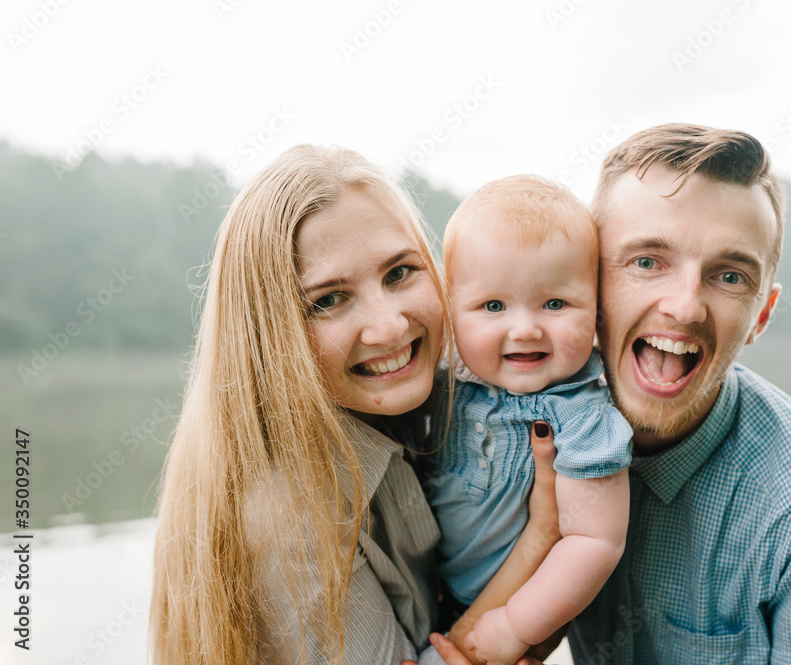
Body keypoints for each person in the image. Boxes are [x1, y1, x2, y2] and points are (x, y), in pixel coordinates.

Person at [149, 145, 559, 665]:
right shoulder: (288, 513)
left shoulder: (445, 406)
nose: (389, 325)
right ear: (269, 337)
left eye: (399, 273)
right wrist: (541, 541)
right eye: (328, 300)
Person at [566, 123, 791, 664]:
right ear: (585, 283)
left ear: (762, 315)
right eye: (647, 262)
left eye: (730, 277)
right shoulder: (511, 428)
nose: (685, 307)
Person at [424, 175, 632, 664]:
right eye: (493, 305)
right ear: (451, 310)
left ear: (597, 310)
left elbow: (595, 541)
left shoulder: (581, 416)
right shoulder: (448, 378)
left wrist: (517, 623)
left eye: (555, 303)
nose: (525, 329)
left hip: (511, 611)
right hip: (433, 588)